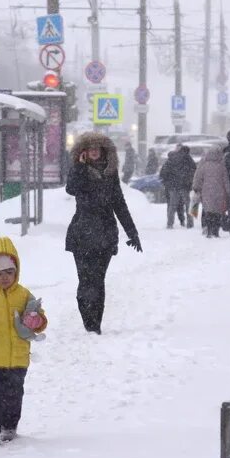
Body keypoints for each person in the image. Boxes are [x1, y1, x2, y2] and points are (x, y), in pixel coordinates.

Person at [65, 132, 142, 334]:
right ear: (84, 152)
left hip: (105, 235)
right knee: (85, 282)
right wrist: (80, 167)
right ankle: (87, 320)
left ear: (103, 151)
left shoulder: (110, 173)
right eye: (90, 149)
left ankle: (95, 324)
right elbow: (71, 188)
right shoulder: (79, 171)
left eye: (97, 149)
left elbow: (119, 203)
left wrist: (132, 232)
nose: (94, 152)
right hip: (82, 233)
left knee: (98, 281)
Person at [0, 236, 47, 445]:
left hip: (18, 358)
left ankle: (9, 426)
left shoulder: (24, 295)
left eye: (9, 272)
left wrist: (36, 320)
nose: (5, 278)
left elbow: (40, 319)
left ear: (16, 271)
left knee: (14, 395)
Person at [192, 146, 230, 238]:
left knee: (208, 212)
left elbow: (198, 178)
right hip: (219, 193)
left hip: (206, 192)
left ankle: (209, 230)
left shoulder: (204, 165)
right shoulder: (222, 166)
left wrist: (196, 187)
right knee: (217, 213)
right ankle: (216, 231)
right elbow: (226, 180)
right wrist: (228, 192)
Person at [159, 144, 197, 229]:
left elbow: (163, 173)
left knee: (172, 206)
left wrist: (168, 183)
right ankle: (190, 224)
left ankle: (170, 223)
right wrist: (190, 182)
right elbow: (194, 172)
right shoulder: (189, 159)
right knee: (188, 205)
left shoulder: (172, 158)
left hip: (173, 186)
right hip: (185, 186)